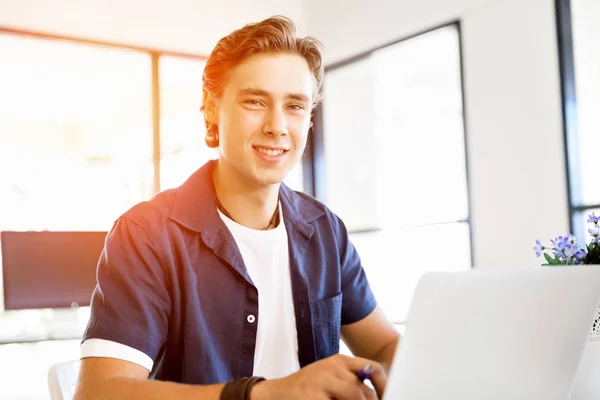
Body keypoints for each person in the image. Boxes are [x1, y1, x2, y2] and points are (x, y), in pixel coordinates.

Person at [74, 15, 400, 400]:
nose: (277, 126)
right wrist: (262, 394)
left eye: (295, 106)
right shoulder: (147, 235)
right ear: (212, 110)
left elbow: (382, 348)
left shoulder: (326, 230)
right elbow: (98, 392)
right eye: (255, 101)